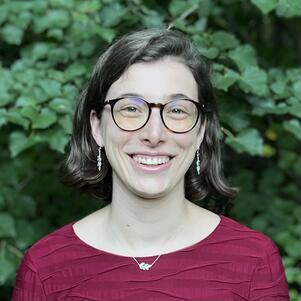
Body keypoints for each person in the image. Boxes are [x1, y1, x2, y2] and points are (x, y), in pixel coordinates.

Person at [12, 28, 289, 301]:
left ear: (200, 131)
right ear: (97, 126)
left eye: (177, 110)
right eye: (131, 108)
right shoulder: (46, 267)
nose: (154, 134)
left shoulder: (254, 261)